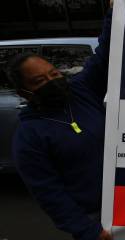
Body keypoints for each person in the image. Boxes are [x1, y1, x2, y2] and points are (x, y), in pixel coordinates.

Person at [7, 1, 114, 240]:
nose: (51, 81)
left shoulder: (80, 90)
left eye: (53, 74)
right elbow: (49, 193)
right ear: (24, 92)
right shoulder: (29, 136)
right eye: (39, 81)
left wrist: (114, 12)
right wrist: (87, 230)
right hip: (95, 220)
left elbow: (104, 55)